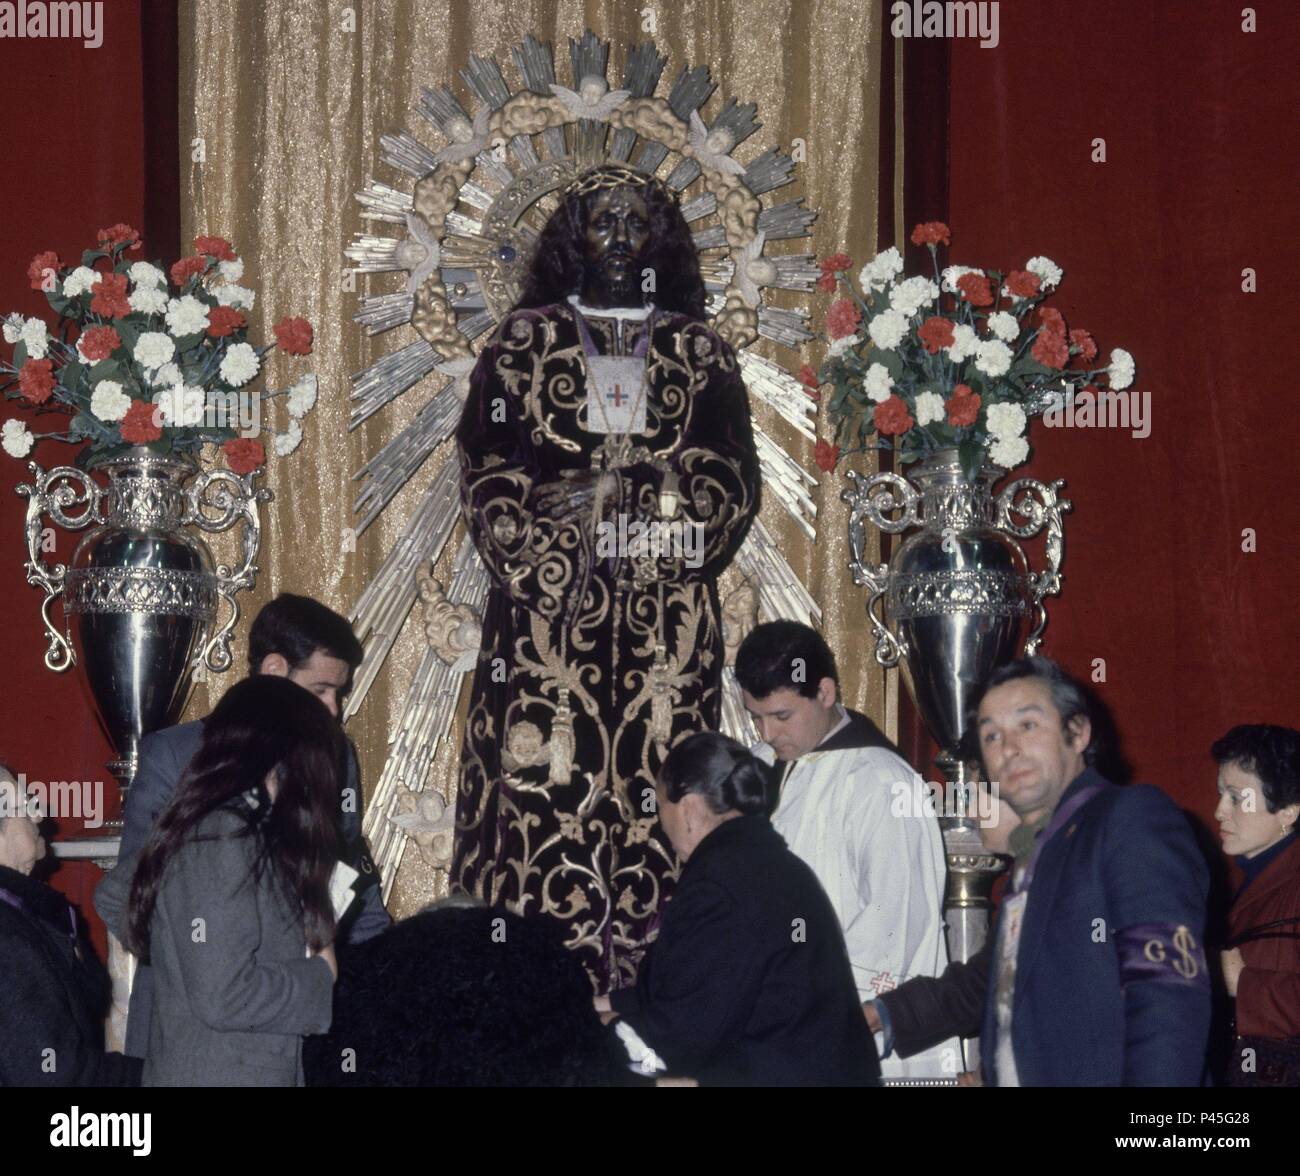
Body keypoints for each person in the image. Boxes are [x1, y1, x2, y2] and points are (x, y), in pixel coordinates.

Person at [454, 163, 761, 991]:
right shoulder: (523, 343)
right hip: (542, 633)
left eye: (637, 221)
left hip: (667, 634)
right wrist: (554, 568)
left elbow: (729, 481)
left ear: (660, 238)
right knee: (539, 799)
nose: (621, 238)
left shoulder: (699, 353)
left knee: (666, 808)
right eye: (603, 221)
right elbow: (486, 472)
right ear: (572, 238)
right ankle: (530, 1008)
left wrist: (624, 490)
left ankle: (666, 1011)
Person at [116, 592, 389, 1058]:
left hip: (301, 1022)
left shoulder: (336, 758)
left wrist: (386, 973)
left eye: (339, 693)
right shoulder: (174, 756)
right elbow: (129, 899)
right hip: (192, 1034)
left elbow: (347, 873)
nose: (334, 709)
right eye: (322, 689)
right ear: (275, 670)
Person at [734, 620, 958, 1080]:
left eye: (781, 716)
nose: (767, 733)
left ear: (826, 692)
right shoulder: (756, 769)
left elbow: (897, 924)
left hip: (854, 1035)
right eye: (755, 716)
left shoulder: (884, 783)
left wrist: (801, 1007)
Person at [973, 656, 1210, 1086]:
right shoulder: (1033, 858)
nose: (1008, 749)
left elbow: (1166, 994)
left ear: (1078, 733)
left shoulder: (1129, 818)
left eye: (1027, 726)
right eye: (991, 736)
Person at [95, 677, 342, 1086]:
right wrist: (319, 973)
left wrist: (181, 952)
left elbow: (117, 893)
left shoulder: (214, 824)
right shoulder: (224, 833)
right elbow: (222, 996)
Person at [597, 732, 880, 1086]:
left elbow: (673, 1047)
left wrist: (592, 1037)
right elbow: (697, 988)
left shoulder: (719, 884)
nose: (660, 825)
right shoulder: (772, 864)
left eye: (659, 807)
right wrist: (606, 1005)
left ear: (686, 809)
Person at [0, 766, 140, 1086]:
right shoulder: (8, 936)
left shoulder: (25, 914)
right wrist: (166, 1074)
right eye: (25, 806)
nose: (39, 816)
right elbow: (52, 1074)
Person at [1213, 724, 1300, 1086]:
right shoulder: (1233, 882)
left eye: (1236, 798)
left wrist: (1242, 981)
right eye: (1220, 794)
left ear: (1288, 812)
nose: (1219, 811)